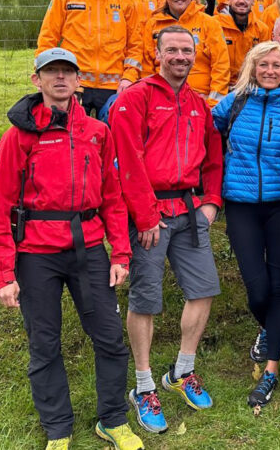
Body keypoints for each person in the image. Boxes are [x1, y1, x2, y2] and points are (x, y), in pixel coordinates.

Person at [0, 48, 143, 450]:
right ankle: (58, 428)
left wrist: (121, 253)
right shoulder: (19, 136)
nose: (59, 78)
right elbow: (0, 205)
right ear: (36, 81)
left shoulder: (96, 132)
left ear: (78, 82)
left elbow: (112, 195)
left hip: (89, 251)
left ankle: (112, 419)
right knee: (45, 343)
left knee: (109, 338)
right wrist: (3, 273)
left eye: (67, 72)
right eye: (50, 72)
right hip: (36, 255)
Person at [111, 25, 225, 433]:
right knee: (145, 298)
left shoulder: (198, 102)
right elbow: (126, 158)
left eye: (186, 50)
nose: (180, 56)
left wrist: (211, 203)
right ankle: (142, 386)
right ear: (156, 53)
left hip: (190, 211)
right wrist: (144, 215)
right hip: (151, 214)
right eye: (172, 49)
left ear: (195, 55)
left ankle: (181, 371)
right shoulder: (135, 98)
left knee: (204, 290)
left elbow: (213, 157)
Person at [212, 41, 280, 407]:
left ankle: (270, 370)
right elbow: (203, 134)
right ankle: (270, 329)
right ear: (251, 68)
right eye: (263, 65)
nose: (269, 71)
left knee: (278, 285)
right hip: (240, 206)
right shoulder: (233, 104)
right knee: (257, 289)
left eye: (276, 66)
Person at [37, 0, 142, 117]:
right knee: (71, 136)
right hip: (75, 83)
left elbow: (136, 44)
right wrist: (45, 74)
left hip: (114, 86)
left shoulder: (124, 0)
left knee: (111, 139)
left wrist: (129, 77)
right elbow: (48, 38)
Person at [126, 0, 229, 107]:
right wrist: (152, 96)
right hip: (162, 98)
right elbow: (147, 64)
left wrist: (212, 104)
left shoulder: (209, 23)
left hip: (200, 98)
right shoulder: (153, 24)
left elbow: (220, 65)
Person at [216, 0, 271, 87]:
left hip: (251, 86)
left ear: (253, 1)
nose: (242, 1)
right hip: (222, 86)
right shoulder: (214, 25)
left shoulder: (262, 29)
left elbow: (264, 62)